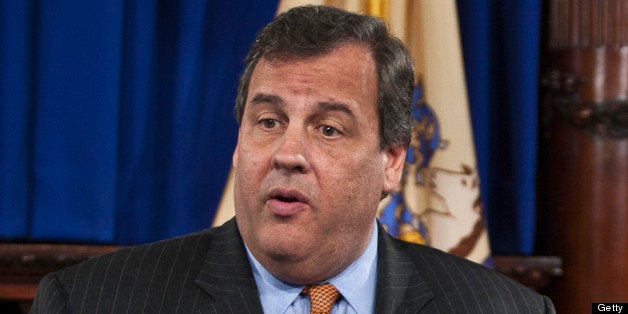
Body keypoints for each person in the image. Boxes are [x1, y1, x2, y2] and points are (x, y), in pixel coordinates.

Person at [31, 5, 555, 313]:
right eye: (269, 122)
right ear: (238, 144)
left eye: (328, 129)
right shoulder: (92, 303)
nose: (288, 154)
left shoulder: (504, 310)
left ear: (392, 162)